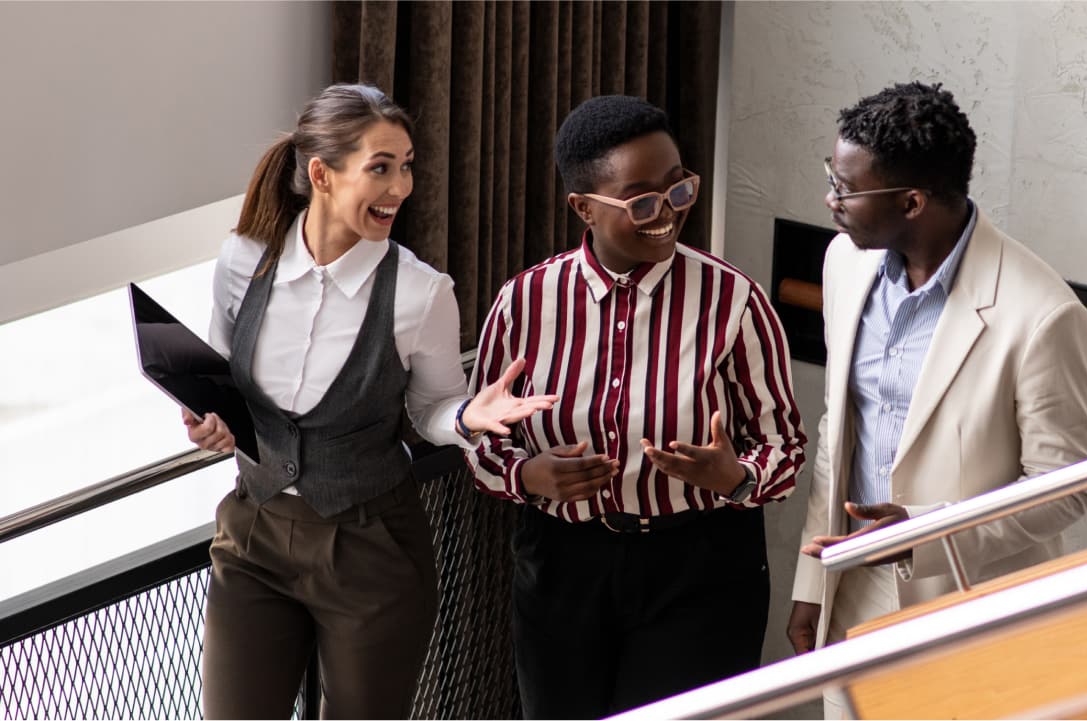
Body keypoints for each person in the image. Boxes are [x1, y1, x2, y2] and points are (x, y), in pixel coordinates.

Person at [182, 83, 555, 719]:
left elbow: (432, 410)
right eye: (381, 168)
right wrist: (207, 422)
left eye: (406, 166)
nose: (400, 188)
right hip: (254, 535)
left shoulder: (420, 292)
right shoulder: (242, 260)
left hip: (372, 548)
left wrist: (468, 418)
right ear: (322, 174)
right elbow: (219, 388)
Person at [465, 95, 807, 719]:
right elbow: (485, 441)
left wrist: (733, 476)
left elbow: (784, 448)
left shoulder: (734, 301)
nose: (668, 214)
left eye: (680, 189)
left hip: (700, 569)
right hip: (562, 567)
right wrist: (527, 476)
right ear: (584, 208)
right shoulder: (525, 303)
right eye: (643, 201)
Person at [785, 81, 1087, 719]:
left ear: (912, 201)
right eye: (831, 176)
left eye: (847, 188)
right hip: (852, 589)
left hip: (970, 605)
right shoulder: (844, 261)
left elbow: (1067, 486)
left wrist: (926, 533)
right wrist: (812, 583)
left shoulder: (1044, 314)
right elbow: (838, 431)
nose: (831, 199)